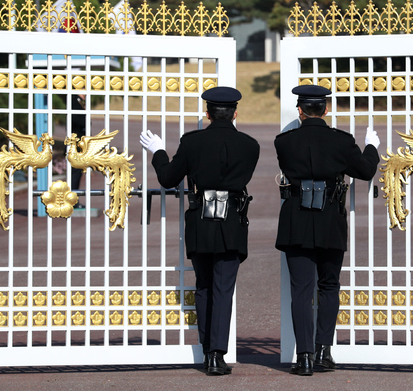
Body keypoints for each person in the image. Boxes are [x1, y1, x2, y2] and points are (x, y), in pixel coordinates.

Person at [140, 86, 260, 376]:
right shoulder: (250, 145)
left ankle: (208, 351)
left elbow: (168, 178)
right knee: (223, 288)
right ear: (235, 113)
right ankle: (217, 354)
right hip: (231, 220)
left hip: (201, 220)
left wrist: (158, 152)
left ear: (207, 113)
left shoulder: (192, 142)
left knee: (204, 286)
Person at [274, 85, 380, 376]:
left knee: (301, 291)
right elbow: (366, 170)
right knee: (329, 286)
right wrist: (371, 146)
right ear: (327, 109)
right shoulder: (342, 141)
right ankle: (323, 350)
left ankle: (304, 356)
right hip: (330, 219)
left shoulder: (283, 142)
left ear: (299, 111)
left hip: (297, 219)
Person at [70, 94, 86, 207]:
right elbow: (76, 119)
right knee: (75, 172)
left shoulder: (78, 101)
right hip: (74, 142)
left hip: (80, 141)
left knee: (77, 172)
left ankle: (73, 199)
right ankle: (72, 200)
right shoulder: (73, 101)